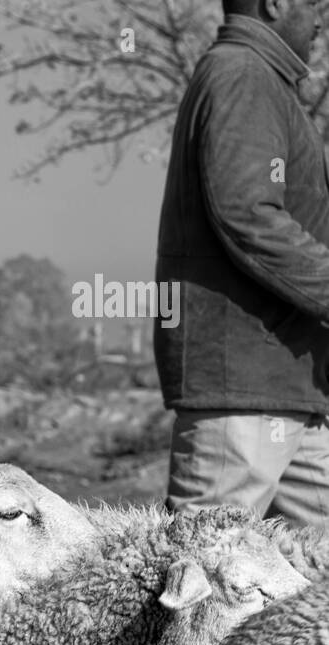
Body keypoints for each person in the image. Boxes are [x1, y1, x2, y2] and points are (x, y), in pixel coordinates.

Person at [156, 0, 329, 525]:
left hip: (286, 385)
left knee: (312, 588)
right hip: (242, 391)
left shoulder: (262, 79)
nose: (322, 17)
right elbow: (247, 212)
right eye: (313, 2)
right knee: (197, 583)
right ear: (276, 3)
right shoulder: (242, 74)